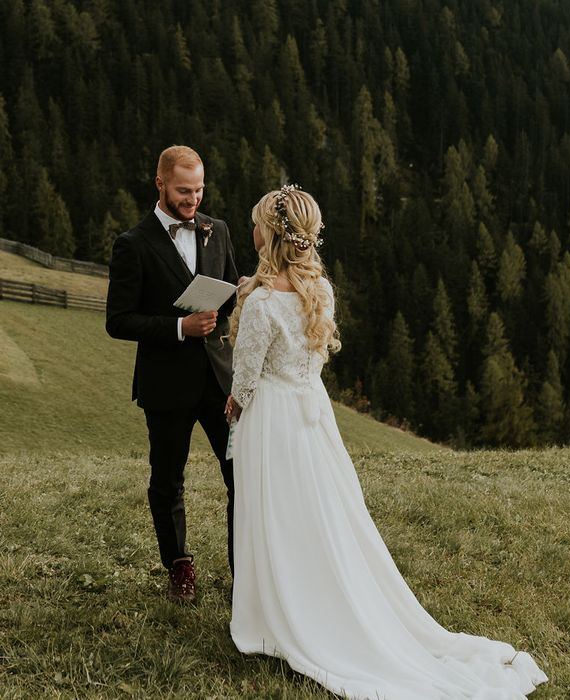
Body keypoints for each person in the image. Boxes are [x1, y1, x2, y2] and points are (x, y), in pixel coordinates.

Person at [224, 185, 547, 699]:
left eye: (258, 223)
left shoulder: (262, 303)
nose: (253, 230)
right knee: (321, 511)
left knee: (275, 511)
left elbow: (246, 373)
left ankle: (276, 615)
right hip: (313, 412)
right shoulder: (320, 291)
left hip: (274, 418)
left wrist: (236, 405)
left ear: (273, 235)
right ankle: (315, 596)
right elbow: (312, 359)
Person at [105, 145, 238, 604]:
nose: (193, 200)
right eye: (184, 191)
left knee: (239, 474)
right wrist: (179, 327)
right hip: (166, 382)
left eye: (199, 189)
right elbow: (117, 320)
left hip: (221, 380)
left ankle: (245, 568)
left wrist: (223, 308)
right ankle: (179, 565)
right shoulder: (133, 244)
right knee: (168, 478)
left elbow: (233, 294)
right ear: (160, 184)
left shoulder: (217, 230)